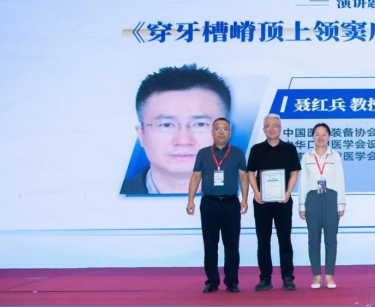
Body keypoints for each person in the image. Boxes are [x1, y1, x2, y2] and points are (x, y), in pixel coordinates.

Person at [120, 64, 231, 194]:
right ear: (141, 135)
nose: (183, 141)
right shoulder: (106, 196)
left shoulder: (249, 194)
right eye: (166, 125)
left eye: (200, 124)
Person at [186, 117, 249, 293]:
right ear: (212, 132)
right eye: (218, 129)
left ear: (230, 132)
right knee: (210, 244)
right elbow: (196, 177)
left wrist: (244, 199)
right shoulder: (203, 153)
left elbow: (243, 177)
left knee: (232, 245)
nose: (221, 132)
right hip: (209, 204)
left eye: (225, 129)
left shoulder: (237, 153)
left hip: (231, 204)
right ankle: (212, 281)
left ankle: (232, 281)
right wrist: (190, 199)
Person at [247, 114, 301, 291]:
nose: (271, 129)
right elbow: (250, 173)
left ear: (280, 128)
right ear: (263, 129)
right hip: (262, 202)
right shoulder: (256, 149)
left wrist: (288, 192)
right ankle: (265, 278)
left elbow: (294, 173)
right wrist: (256, 192)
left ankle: (287, 277)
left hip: (283, 201)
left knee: (284, 239)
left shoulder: (289, 149)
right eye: (268, 126)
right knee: (263, 241)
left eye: (275, 126)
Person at [298, 123, 346, 289]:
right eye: (317, 134)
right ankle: (316, 277)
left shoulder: (335, 156)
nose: (320, 137)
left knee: (331, 239)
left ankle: (330, 276)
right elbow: (303, 182)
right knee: (314, 239)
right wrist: (302, 205)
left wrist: (341, 204)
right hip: (312, 199)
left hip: (331, 198)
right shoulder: (306, 157)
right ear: (312, 136)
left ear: (329, 137)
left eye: (324, 134)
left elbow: (340, 180)